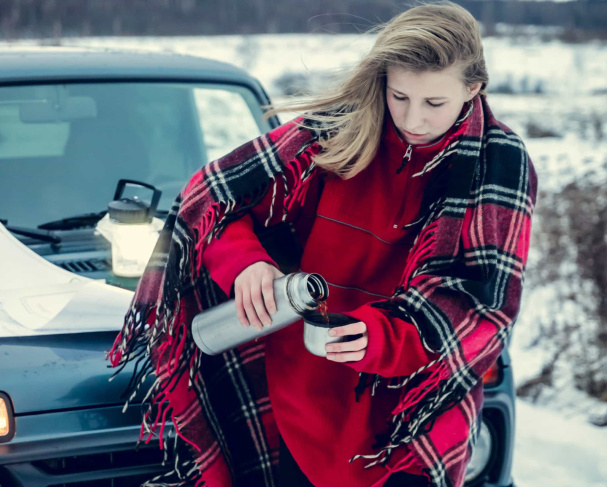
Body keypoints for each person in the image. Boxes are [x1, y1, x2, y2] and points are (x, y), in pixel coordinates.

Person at [108, 2, 538, 487]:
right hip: (300, 404)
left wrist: (385, 337)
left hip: (412, 423)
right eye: (399, 96)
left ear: (473, 87)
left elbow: (483, 303)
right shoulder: (336, 134)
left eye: (433, 103)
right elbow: (214, 207)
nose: (412, 119)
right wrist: (248, 264)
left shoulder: (499, 165)